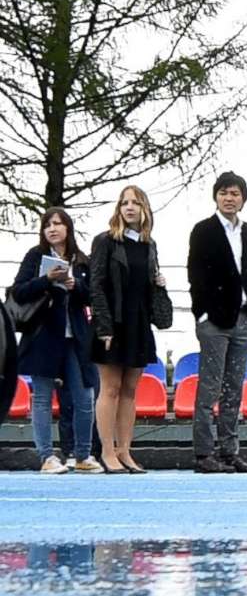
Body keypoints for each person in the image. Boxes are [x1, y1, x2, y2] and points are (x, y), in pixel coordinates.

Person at [10, 207, 100, 473]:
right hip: (43, 337)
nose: (52, 228)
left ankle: (83, 455)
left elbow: (93, 296)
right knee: (42, 397)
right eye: (47, 224)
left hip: (76, 338)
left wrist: (76, 286)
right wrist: (46, 280)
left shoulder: (82, 260)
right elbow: (19, 291)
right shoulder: (35, 256)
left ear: (68, 228)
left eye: (58, 223)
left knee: (85, 396)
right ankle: (47, 456)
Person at [185, 169, 247, 474]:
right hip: (214, 321)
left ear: (243, 199)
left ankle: (230, 451)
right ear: (216, 196)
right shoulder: (203, 230)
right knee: (210, 388)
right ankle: (204, 453)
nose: (229, 198)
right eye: (224, 193)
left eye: (235, 193)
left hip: (244, 319)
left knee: (234, 389)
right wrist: (201, 313)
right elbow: (195, 274)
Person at [88, 184, 167, 474]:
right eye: (124, 203)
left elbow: (147, 283)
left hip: (139, 322)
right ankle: (107, 452)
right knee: (110, 388)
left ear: (145, 209)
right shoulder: (105, 241)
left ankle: (125, 451)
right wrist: (103, 327)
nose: (129, 207)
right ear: (118, 209)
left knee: (130, 390)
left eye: (135, 203)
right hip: (112, 323)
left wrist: (160, 285)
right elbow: (95, 285)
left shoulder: (149, 244)